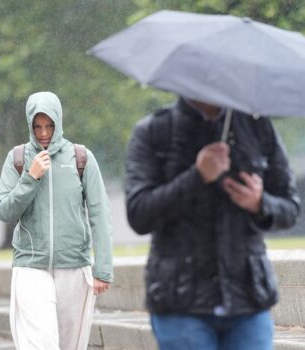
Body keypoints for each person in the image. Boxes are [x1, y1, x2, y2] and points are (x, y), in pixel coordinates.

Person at [125, 97, 300, 350]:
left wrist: (260, 203)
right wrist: (197, 176)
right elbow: (139, 214)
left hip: (248, 300)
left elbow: (290, 208)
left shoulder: (258, 127)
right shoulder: (154, 131)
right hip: (180, 303)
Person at [0, 91, 113, 350]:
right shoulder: (17, 159)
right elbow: (4, 211)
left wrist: (103, 268)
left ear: (58, 123)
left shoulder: (81, 158)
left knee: (70, 345)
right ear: (29, 125)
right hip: (30, 265)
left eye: (49, 125)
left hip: (73, 265)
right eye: (37, 126)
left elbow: (99, 214)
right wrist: (30, 177)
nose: (44, 133)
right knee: (43, 343)